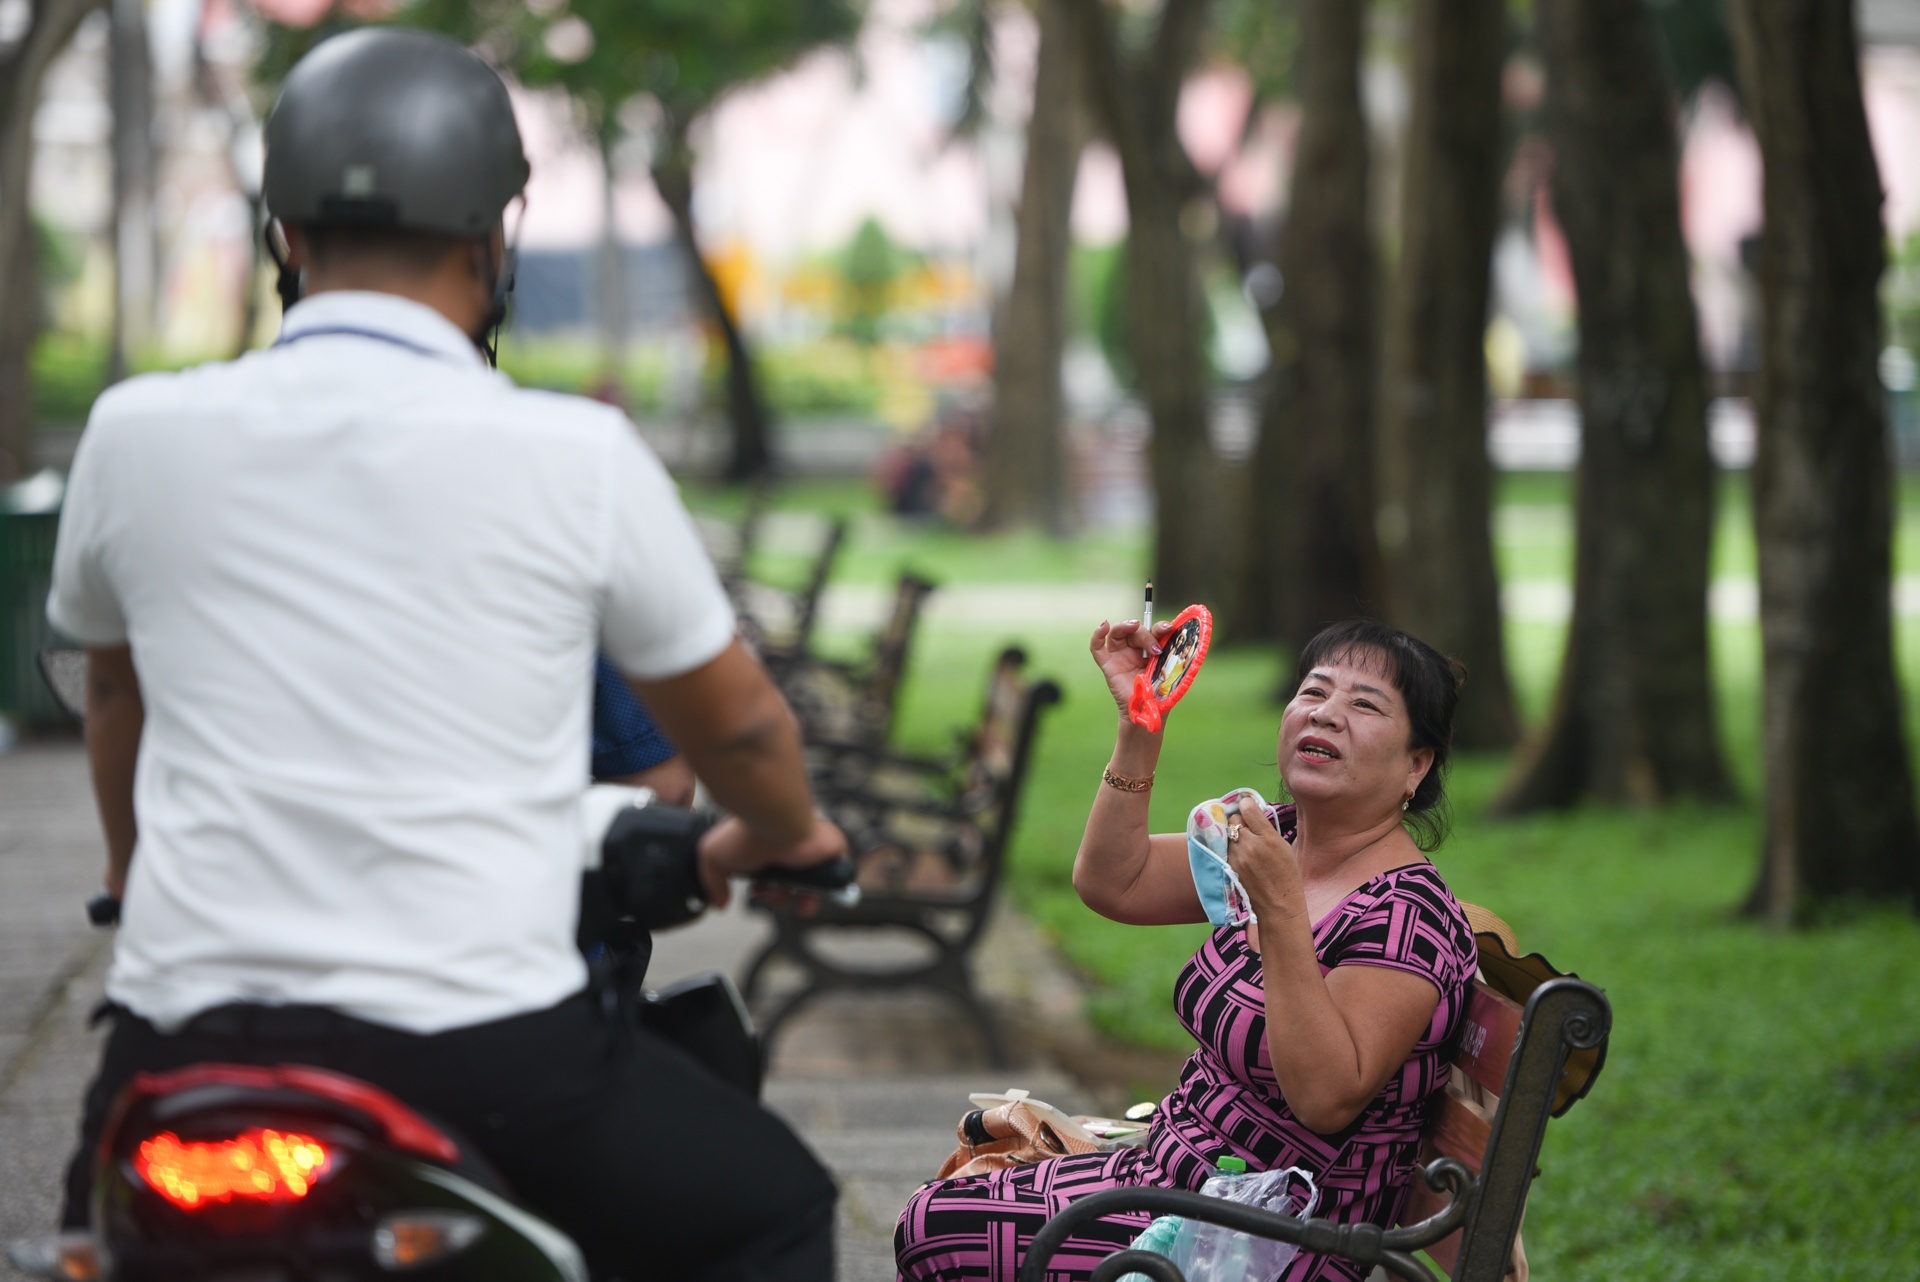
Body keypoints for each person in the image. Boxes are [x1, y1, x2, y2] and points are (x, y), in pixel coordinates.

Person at [47, 28, 841, 1282]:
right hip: (483, 1047)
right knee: (774, 1204)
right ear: (495, 239)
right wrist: (790, 835)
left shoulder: (132, 431)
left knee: (96, 1237)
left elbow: (110, 689)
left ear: (284, 237)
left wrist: (138, 878)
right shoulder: (573, 456)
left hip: (179, 1041)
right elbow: (735, 735)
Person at [895, 618, 1478, 1282]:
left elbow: (1325, 1096)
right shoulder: (1273, 835)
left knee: (938, 1231)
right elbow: (1117, 882)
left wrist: (1282, 908)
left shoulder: (1407, 916)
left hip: (1274, 1234)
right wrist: (1140, 728)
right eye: (1315, 691)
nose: (1327, 713)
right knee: (944, 1208)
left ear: (1417, 765)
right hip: (1172, 1180)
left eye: (1364, 705)